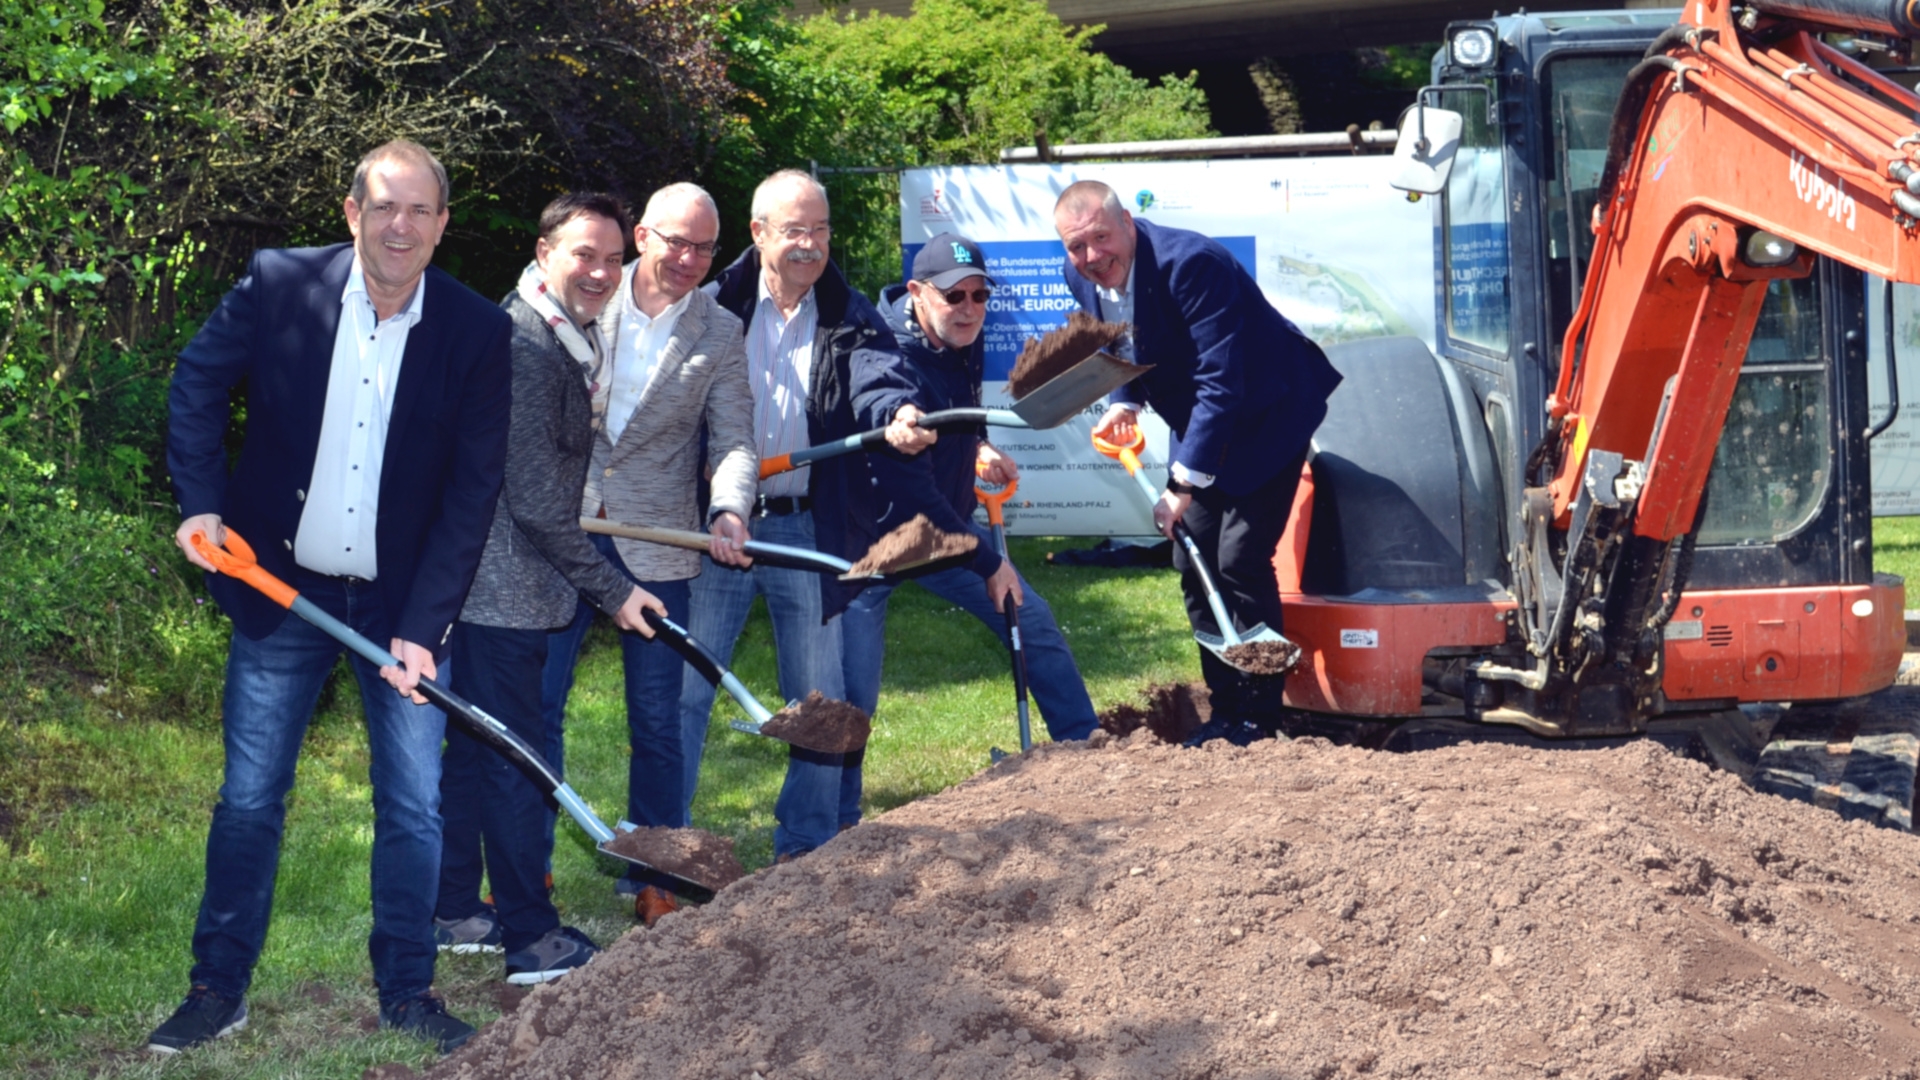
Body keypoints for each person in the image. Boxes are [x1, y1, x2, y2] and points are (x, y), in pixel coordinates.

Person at [154, 140, 511, 1054]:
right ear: (352, 212)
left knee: (415, 805)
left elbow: (474, 492)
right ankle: (217, 987)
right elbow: (196, 382)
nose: (401, 226)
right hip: (279, 586)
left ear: (441, 225)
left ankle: (408, 992)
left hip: (400, 611)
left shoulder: (475, 332)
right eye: (384, 207)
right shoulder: (280, 286)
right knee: (248, 797)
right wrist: (200, 504)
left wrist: (426, 627)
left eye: (420, 210)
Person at [431, 193, 667, 985]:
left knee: (473, 753)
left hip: (494, 585)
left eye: (611, 258)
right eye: (583, 255)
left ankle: (454, 907)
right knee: (513, 759)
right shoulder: (528, 346)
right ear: (543, 252)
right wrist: (615, 589)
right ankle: (532, 939)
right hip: (500, 590)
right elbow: (533, 501)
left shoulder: (561, 335)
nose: (601, 272)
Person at [1053, 179, 1342, 747]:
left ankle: (1260, 718)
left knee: (1239, 558)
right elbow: (1118, 344)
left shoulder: (1193, 265)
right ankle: (1226, 708)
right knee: (1192, 557)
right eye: (1075, 246)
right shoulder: (1080, 276)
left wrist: (1182, 481)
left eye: (1100, 239)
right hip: (1206, 421)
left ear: (1129, 225)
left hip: (1268, 413)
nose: (1091, 257)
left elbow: (1221, 379)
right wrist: (1125, 403)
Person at [540, 182, 756, 926]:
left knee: (659, 718)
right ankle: (523, 866)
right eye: (676, 242)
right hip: (565, 529)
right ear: (642, 236)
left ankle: (652, 876)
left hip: (661, 542)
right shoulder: (587, 293)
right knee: (539, 704)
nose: (690, 259)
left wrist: (730, 507)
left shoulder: (721, 331)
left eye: (705, 248)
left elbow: (732, 438)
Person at [693, 169, 899, 860]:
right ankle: (661, 850)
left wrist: (896, 413)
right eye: (794, 231)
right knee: (688, 685)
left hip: (806, 523)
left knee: (819, 697)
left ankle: (806, 848)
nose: (811, 245)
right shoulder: (712, 304)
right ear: (758, 234)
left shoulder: (848, 309)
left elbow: (878, 376)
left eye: (820, 230)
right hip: (713, 526)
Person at [842, 232, 1100, 752]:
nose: (969, 309)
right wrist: (989, 562)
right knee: (854, 696)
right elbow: (912, 497)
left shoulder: (961, 336)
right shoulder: (887, 359)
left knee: (1032, 621)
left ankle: (1085, 750)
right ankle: (835, 826)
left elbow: (958, 413)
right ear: (917, 291)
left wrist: (978, 446)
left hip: (941, 530)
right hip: (871, 540)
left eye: (980, 295)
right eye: (954, 295)